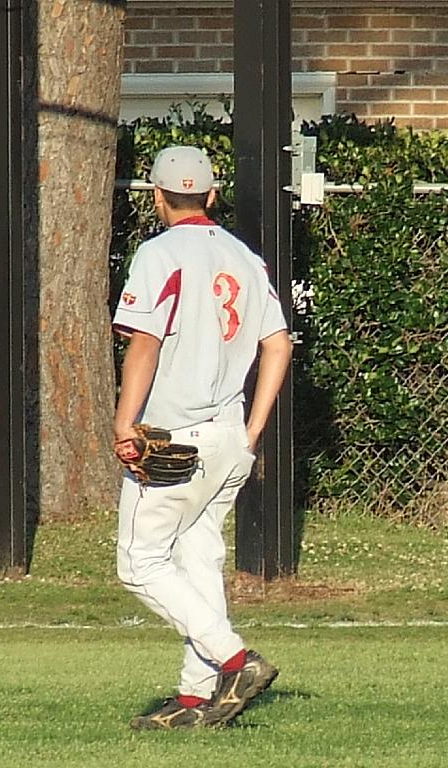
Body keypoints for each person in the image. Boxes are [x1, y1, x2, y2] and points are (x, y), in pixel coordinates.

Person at [111, 145, 293, 730]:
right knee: (198, 558)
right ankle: (194, 700)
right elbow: (278, 342)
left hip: (172, 434)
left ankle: (235, 660)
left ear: (157, 196)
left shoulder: (158, 252)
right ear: (213, 195)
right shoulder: (245, 257)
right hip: (228, 433)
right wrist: (253, 429)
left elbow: (144, 341)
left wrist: (124, 423)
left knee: (139, 564)